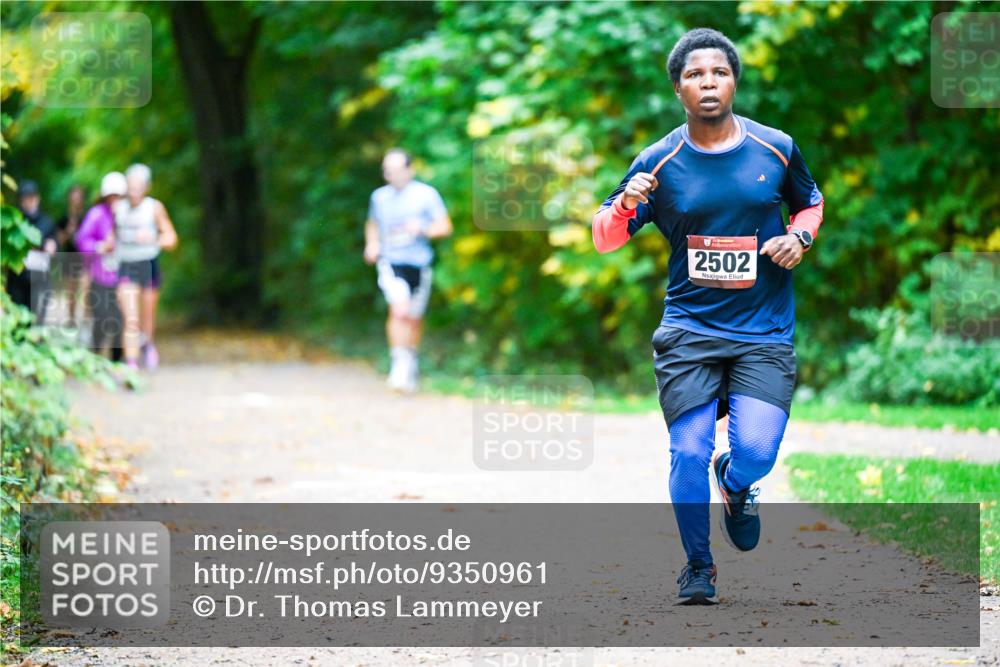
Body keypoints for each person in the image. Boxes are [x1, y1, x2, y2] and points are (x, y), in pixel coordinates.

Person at [592, 28, 825, 605]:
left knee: (756, 452)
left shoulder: (776, 147)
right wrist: (625, 204)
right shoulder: (659, 160)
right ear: (679, 89)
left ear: (734, 81)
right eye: (695, 75)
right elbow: (603, 237)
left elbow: (811, 203)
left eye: (718, 72)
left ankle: (737, 482)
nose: (708, 83)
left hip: (763, 332)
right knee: (687, 450)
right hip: (690, 331)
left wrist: (799, 236)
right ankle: (698, 567)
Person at [364, 149, 453, 393]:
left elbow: (444, 227)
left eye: (394, 170)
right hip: (391, 262)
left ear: (409, 170)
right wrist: (372, 244)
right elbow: (372, 224)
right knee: (399, 309)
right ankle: (399, 366)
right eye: (386, 171)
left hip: (419, 263)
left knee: (414, 318)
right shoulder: (379, 197)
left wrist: (422, 228)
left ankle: (409, 361)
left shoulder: (426, 195)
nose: (390, 175)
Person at [113, 163, 178, 370]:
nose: (133, 192)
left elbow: (172, 238)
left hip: (148, 263)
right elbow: (110, 235)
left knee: (147, 316)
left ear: (146, 187)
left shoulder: (154, 207)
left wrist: (154, 238)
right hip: (126, 265)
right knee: (130, 316)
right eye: (130, 187)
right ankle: (131, 363)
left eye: (138, 187)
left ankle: (148, 344)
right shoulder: (118, 208)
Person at [75, 173, 127, 360]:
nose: (115, 199)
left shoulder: (127, 215)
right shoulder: (96, 214)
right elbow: (81, 240)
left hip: (124, 276)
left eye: (118, 195)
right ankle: (95, 357)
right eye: (111, 195)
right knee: (102, 317)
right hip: (101, 275)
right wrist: (100, 246)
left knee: (120, 320)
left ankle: (117, 360)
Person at [6, 180, 58, 320]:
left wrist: (53, 246)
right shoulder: (14, 221)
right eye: (26, 197)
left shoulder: (47, 222)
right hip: (18, 279)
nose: (29, 200)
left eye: (32, 196)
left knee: (37, 319)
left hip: (40, 278)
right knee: (17, 316)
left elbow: (55, 245)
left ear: (37, 198)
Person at [56, 184, 88, 333]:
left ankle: (87, 319)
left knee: (86, 289)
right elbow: (58, 240)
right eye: (73, 197)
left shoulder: (88, 217)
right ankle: (71, 319)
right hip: (69, 256)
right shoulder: (63, 218)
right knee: (71, 291)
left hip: (85, 257)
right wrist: (69, 232)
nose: (76, 200)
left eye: (78, 197)